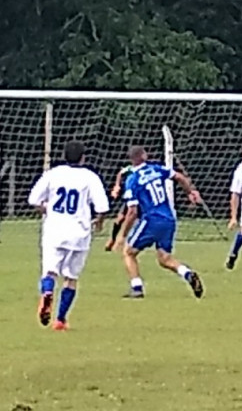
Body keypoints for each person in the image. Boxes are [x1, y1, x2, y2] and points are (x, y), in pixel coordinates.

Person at [28, 140, 110, 330]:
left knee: (50, 272)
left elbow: (33, 200)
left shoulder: (54, 174)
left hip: (55, 231)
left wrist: (47, 209)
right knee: (71, 278)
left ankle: (47, 292)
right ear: (83, 158)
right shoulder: (90, 177)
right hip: (79, 233)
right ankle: (60, 319)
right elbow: (102, 207)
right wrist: (99, 221)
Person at [118, 146, 205, 298]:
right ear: (144, 156)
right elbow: (179, 177)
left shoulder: (132, 179)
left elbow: (132, 212)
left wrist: (122, 235)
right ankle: (187, 273)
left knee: (128, 252)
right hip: (169, 218)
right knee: (165, 259)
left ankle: (136, 288)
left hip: (151, 219)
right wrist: (190, 192)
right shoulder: (156, 169)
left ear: (131, 160)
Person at [104, 164, 134, 251]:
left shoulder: (146, 170)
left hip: (142, 198)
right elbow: (120, 173)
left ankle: (123, 240)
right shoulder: (130, 168)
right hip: (130, 198)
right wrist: (117, 186)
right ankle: (112, 239)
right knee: (120, 218)